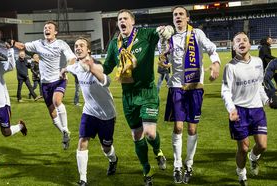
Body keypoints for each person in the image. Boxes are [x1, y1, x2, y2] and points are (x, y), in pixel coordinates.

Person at [103, 9, 167, 186]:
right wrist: (89, 66)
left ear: (132, 21)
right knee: (137, 135)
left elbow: (161, 32)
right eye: (119, 19)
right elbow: (107, 67)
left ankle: (158, 151)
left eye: (125, 18)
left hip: (147, 92)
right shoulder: (114, 44)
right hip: (128, 96)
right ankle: (147, 171)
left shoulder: (146, 34)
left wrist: (164, 30)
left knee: (150, 134)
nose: (121, 21)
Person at [162, 6, 220, 184]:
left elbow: (211, 49)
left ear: (187, 18)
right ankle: (177, 165)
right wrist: (163, 57)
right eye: (175, 15)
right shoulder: (168, 38)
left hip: (195, 86)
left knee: (192, 128)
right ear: (173, 19)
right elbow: (165, 60)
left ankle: (189, 163)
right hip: (177, 87)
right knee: (178, 127)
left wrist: (216, 63)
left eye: (181, 14)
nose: (178, 17)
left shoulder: (197, 34)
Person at [62, 37, 118, 186]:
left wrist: (92, 69)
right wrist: (64, 70)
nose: (78, 48)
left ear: (88, 50)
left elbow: (107, 81)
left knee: (106, 147)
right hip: (89, 112)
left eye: (81, 45)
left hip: (107, 114)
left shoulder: (97, 66)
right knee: (82, 140)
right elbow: (70, 67)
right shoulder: (76, 65)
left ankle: (113, 160)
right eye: (76, 45)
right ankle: (83, 179)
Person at [12, 21, 76, 150]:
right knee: (52, 113)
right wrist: (13, 43)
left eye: (49, 28)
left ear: (55, 32)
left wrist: (67, 68)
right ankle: (65, 133)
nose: (46, 29)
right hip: (45, 83)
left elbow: (72, 58)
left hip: (59, 79)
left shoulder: (61, 44)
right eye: (45, 28)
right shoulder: (38, 44)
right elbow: (23, 46)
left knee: (57, 101)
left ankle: (66, 129)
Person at [221, 32, 268, 186]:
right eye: (237, 41)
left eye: (244, 40)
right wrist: (231, 109)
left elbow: (260, 85)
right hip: (239, 111)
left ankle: (253, 159)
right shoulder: (230, 67)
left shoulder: (258, 62)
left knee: (262, 145)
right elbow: (225, 90)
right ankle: (241, 174)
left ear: (249, 44)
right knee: (243, 148)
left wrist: (267, 100)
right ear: (234, 47)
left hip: (257, 109)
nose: (241, 42)